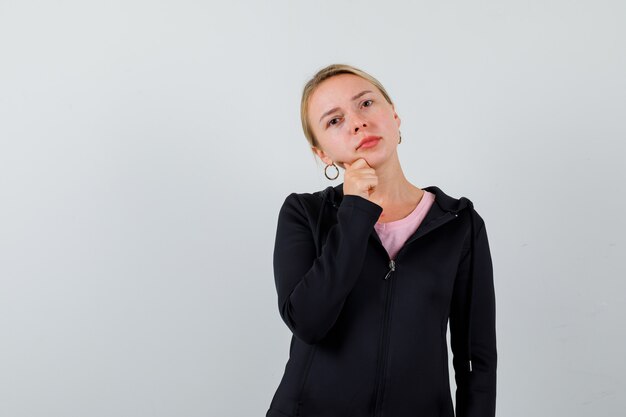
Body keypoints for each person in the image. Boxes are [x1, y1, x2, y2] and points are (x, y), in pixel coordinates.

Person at [266, 64, 497, 417]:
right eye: (334, 121)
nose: (357, 122)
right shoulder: (305, 214)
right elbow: (309, 323)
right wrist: (356, 211)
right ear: (323, 154)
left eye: (366, 104)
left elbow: (475, 360)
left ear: (395, 115)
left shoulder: (459, 224)